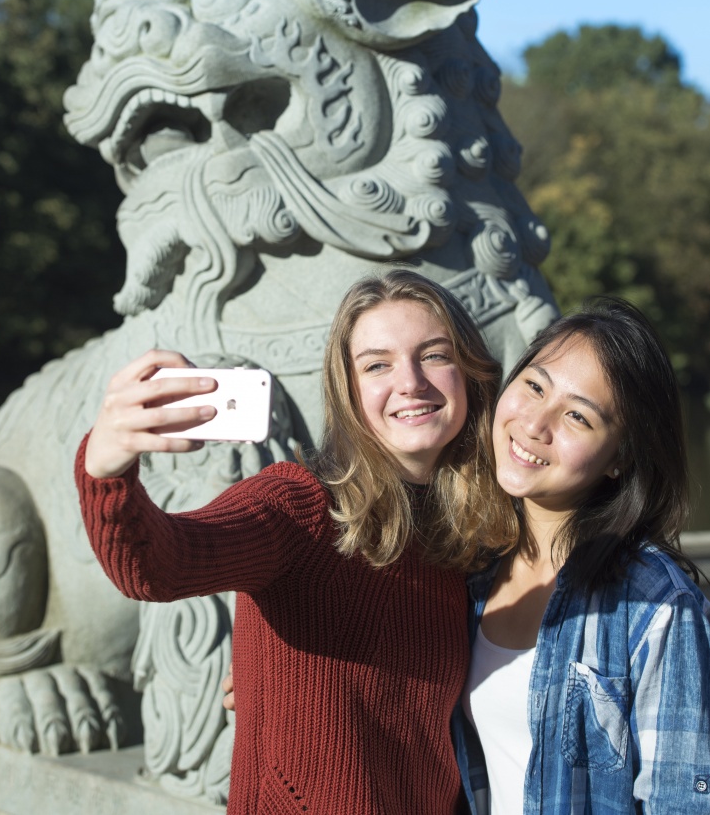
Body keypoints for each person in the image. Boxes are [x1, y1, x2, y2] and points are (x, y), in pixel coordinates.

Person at [75, 269, 501, 815]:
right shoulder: (298, 506)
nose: (411, 381)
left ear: (469, 371)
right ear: (348, 391)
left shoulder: (472, 538)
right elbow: (159, 566)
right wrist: (106, 466)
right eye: (377, 365)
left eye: (435, 355)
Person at [454, 296, 710, 814]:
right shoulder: (471, 569)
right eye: (534, 386)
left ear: (619, 459)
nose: (534, 425)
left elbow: (681, 800)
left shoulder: (654, 604)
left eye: (577, 416)